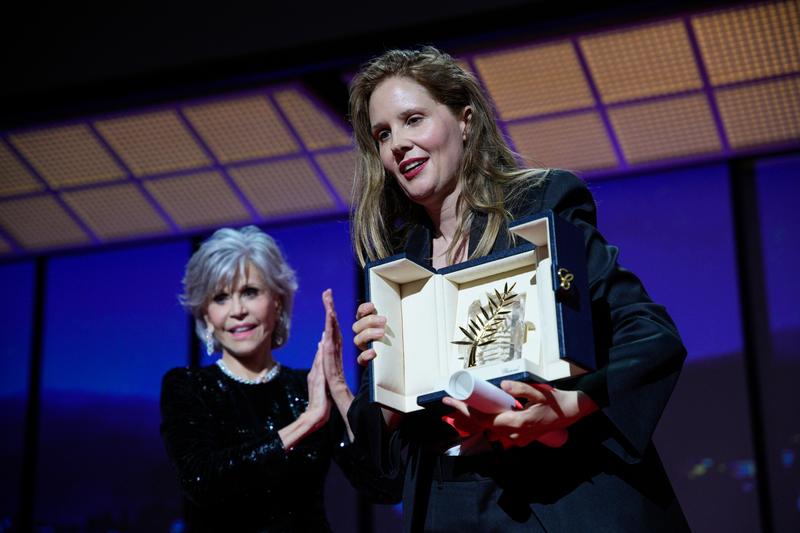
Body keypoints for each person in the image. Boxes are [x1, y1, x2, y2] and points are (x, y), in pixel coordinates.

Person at [345, 46, 691, 531]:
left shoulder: (540, 206)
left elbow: (650, 335)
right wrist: (382, 389)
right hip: (452, 511)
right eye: (383, 134)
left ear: (464, 120)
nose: (398, 144)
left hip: (561, 499)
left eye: (413, 119)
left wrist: (567, 407)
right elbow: (377, 477)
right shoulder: (396, 273)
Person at [160, 226, 365, 532]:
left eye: (250, 292)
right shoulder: (187, 387)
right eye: (220, 298)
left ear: (277, 301)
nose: (238, 310)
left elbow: (378, 485)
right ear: (205, 316)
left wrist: (338, 388)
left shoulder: (308, 388)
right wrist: (306, 422)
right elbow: (202, 482)